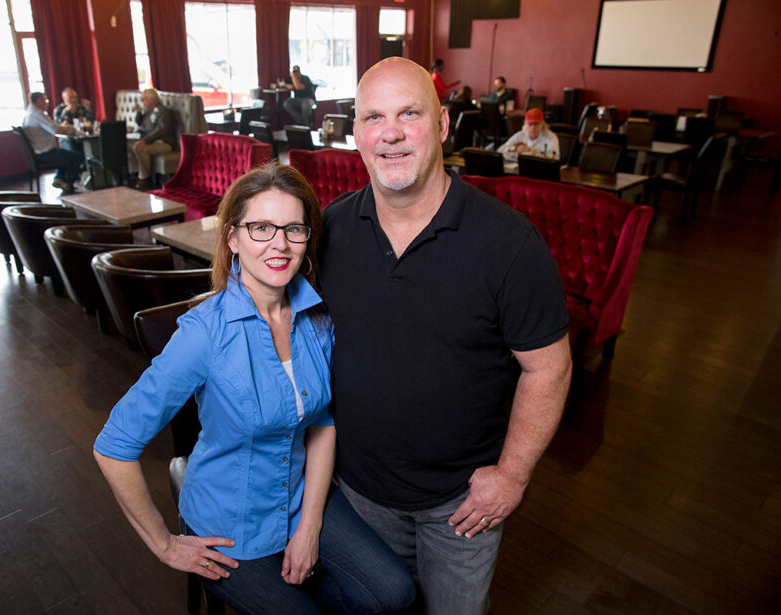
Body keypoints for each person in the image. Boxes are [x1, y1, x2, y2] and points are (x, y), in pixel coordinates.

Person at [93, 163, 416, 615]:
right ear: (232, 238)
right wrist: (165, 544)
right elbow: (114, 446)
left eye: (293, 229)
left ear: (308, 240)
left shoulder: (318, 318)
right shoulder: (203, 334)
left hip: (301, 495)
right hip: (229, 523)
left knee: (395, 594)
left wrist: (309, 527)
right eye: (261, 227)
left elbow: (322, 422)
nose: (279, 244)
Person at [318, 57, 572, 615]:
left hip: (460, 507)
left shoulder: (508, 244)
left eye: (409, 113)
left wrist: (511, 475)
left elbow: (548, 367)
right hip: (357, 493)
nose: (390, 133)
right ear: (356, 133)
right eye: (373, 118)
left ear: (442, 124)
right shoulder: (329, 231)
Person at [21, 92, 84, 193]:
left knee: (65, 152)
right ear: (38, 100)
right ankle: (67, 182)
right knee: (77, 156)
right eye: (45, 100)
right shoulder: (37, 114)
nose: (47, 103)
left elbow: (53, 127)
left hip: (38, 151)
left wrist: (62, 127)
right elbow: (56, 130)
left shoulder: (28, 113)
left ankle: (59, 178)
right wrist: (69, 127)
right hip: (45, 153)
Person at [130, 88, 176, 190]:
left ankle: (145, 179)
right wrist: (138, 112)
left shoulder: (163, 111)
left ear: (152, 99)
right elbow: (140, 123)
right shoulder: (148, 111)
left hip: (164, 143)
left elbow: (161, 131)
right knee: (132, 146)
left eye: (144, 99)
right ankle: (134, 174)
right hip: (151, 141)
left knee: (140, 148)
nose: (142, 101)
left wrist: (144, 141)